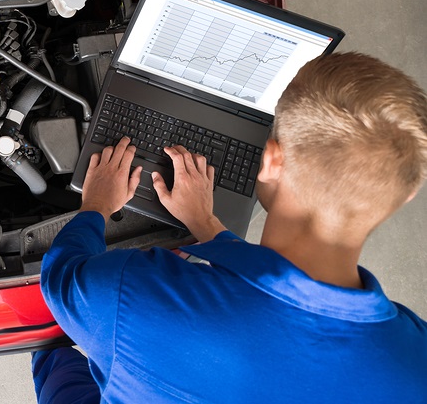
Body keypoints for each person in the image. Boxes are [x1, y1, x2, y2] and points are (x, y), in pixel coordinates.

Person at [34, 52, 427, 403]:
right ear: (405, 193)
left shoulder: (134, 296)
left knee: (50, 352)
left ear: (272, 161)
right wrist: (207, 226)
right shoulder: (417, 357)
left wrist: (97, 204)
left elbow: (62, 278)